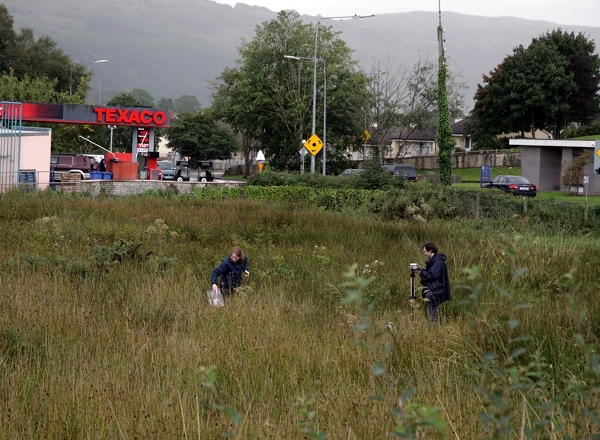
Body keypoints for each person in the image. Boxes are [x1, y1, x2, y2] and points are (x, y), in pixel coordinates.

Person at [417, 241, 451, 323]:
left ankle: (434, 329)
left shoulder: (438, 262)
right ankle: (433, 328)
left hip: (435, 291)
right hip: (435, 290)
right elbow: (431, 274)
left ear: (430, 250)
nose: (424, 254)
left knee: (432, 314)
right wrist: (422, 270)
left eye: (425, 251)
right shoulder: (435, 261)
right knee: (431, 312)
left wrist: (422, 272)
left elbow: (432, 275)